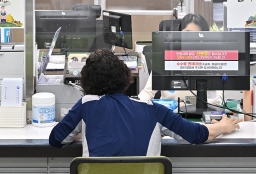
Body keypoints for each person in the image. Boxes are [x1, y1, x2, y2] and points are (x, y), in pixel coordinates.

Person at [50, 49, 241, 156]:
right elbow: (196, 134)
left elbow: (56, 139)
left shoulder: (85, 106)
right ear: (124, 77)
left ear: (86, 82)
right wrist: (223, 126)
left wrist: (81, 132)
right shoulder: (154, 110)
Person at [137, 14, 217, 103]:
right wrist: (136, 103)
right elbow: (147, 92)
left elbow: (217, 99)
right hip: (167, 110)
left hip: (197, 110)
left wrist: (188, 105)